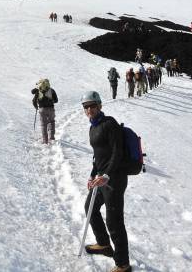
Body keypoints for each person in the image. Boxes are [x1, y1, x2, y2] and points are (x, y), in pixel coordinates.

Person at [81, 91, 131, 272]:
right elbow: (98, 156)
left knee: (114, 222)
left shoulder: (110, 124)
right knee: (90, 209)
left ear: (100, 106)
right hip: (101, 178)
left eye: (92, 105)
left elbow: (117, 153)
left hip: (114, 179)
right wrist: (92, 174)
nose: (89, 109)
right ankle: (104, 244)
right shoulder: (93, 127)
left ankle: (123, 264)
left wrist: (107, 175)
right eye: (86, 107)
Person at [31, 79, 58, 144]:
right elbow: (56, 100)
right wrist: (50, 101)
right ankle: (51, 138)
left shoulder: (38, 91)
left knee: (43, 124)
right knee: (51, 122)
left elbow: (34, 101)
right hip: (51, 108)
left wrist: (36, 107)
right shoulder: (51, 90)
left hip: (42, 109)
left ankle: (45, 141)